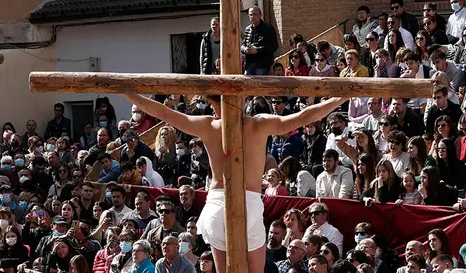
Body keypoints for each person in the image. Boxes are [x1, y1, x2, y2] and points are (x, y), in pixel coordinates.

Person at [121, 92, 347, 273]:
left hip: (218, 203)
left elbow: (162, 111)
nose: (212, 110)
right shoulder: (257, 124)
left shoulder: (208, 125)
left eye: (212, 104)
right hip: (242, 202)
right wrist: (341, 98)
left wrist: (126, 92)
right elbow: (304, 116)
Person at [242, 6, 279, 75]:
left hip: (262, 65)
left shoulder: (268, 28)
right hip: (249, 64)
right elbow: (243, 45)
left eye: (255, 14)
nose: (252, 17)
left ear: (260, 15)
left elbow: (274, 46)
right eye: (251, 15)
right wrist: (245, 49)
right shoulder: (248, 29)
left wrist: (257, 50)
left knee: (260, 83)